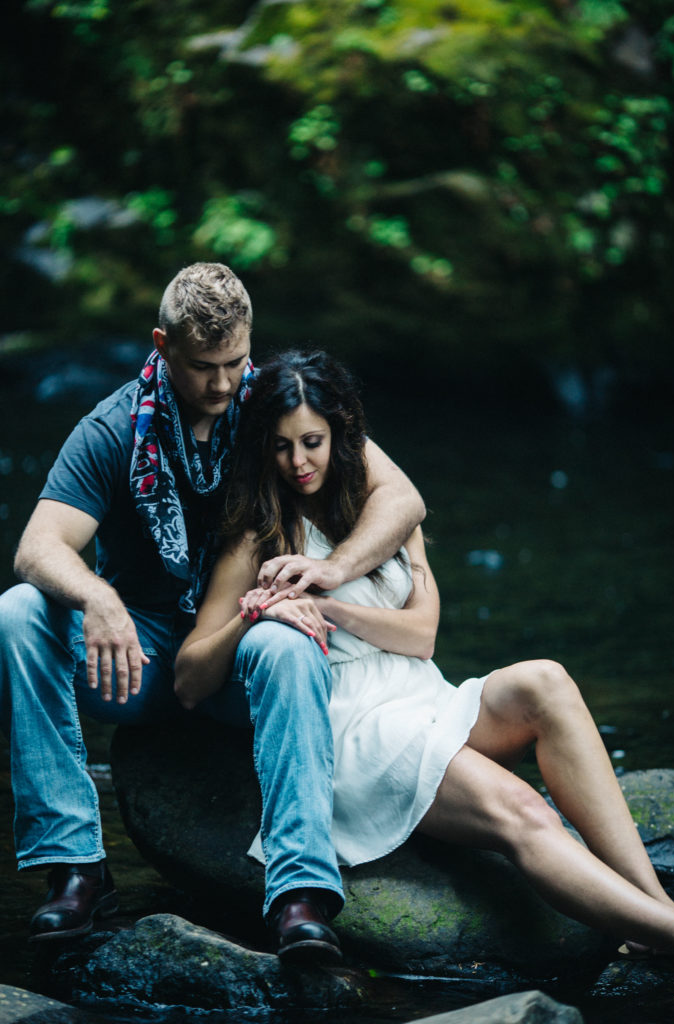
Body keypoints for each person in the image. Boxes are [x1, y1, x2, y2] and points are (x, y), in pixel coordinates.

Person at [175, 349, 674, 965]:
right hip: (358, 728)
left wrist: (328, 605)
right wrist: (254, 614)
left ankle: (653, 907)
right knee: (523, 810)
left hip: (423, 694)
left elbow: (421, 637)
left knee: (546, 681)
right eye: (281, 447)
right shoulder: (259, 537)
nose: (298, 462)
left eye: (312, 442)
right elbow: (189, 679)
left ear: (341, 437)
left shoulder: (384, 514)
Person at [0, 264, 425, 948]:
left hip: (240, 648)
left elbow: (402, 498)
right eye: (203, 367)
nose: (224, 384)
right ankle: (75, 867)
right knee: (19, 613)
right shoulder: (111, 430)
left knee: (290, 639)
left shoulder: (272, 407)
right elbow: (36, 548)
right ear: (162, 345)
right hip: (137, 658)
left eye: (235, 362)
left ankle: (300, 892)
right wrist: (97, 595)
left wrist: (333, 568)